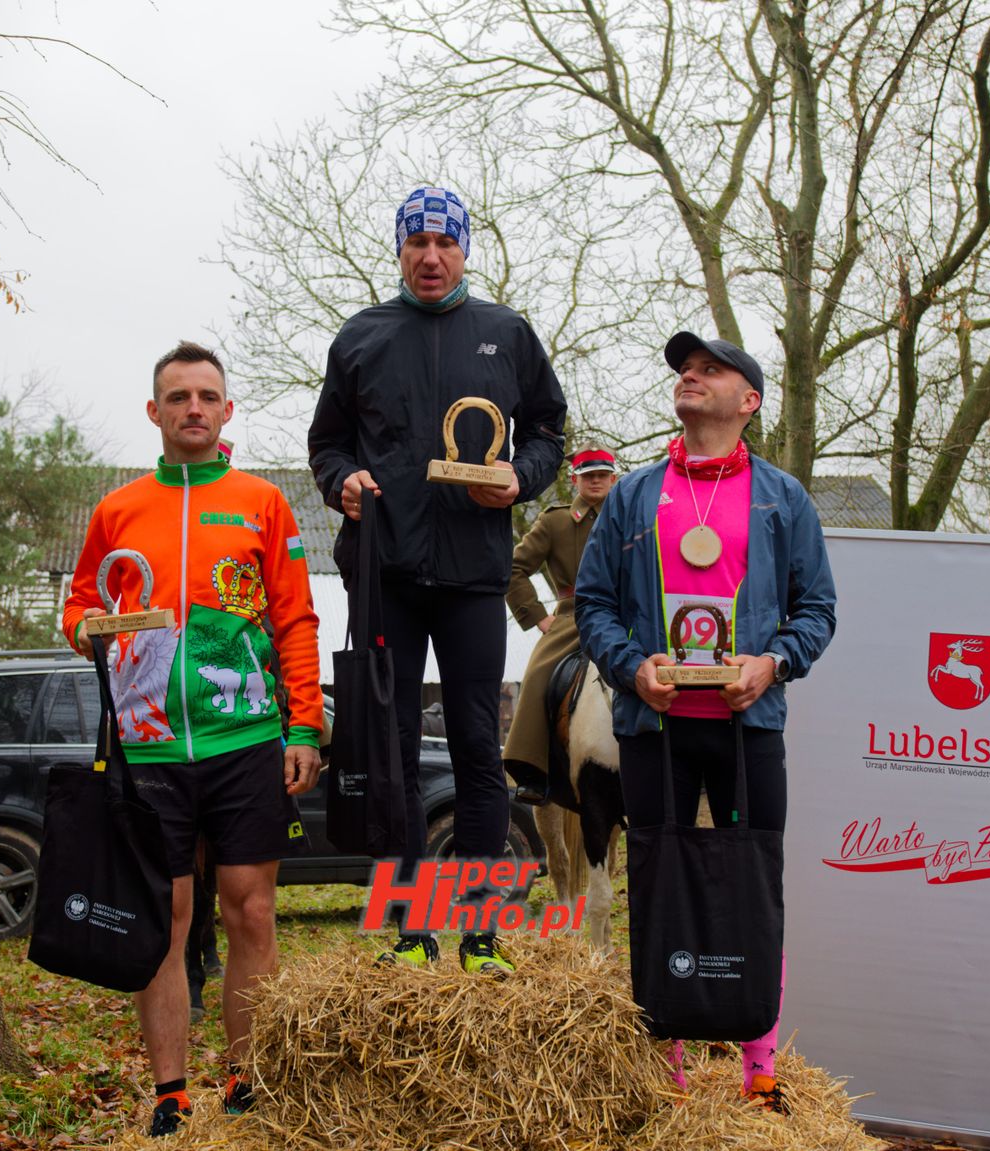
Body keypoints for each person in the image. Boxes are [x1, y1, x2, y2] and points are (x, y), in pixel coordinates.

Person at [62, 341, 324, 1136]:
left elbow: (294, 617)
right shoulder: (117, 508)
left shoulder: (262, 502)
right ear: (155, 411)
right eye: (178, 397)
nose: (194, 409)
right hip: (147, 748)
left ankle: (247, 1075)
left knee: (251, 913)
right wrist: (90, 629)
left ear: (228, 409)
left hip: (244, 737)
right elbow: (78, 607)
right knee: (167, 920)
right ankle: (171, 1090)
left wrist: (305, 722)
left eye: (208, 395)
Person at [307, 185, 567, 975]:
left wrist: (520, 479)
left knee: (476, 750)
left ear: (463, 250)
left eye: (444, 243)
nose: (430, 256)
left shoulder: (506, 333)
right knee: (387, 750)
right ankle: (411, 928)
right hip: (385, 571)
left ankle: (482, 929)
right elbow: (326, 444)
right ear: (399, 251)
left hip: (470, 576)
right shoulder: (361, 336)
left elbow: (550, 431)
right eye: (416, 242)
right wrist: (342, 482)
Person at [574, 332, 836, 1113]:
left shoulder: (784, 498)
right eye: (685, 369)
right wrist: (630, 666)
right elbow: (593, 604)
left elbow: (817, 609)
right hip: (653, 725)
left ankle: (760, 1062)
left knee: (755, 880)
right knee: (656, 880)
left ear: (748, 401)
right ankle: (668, 1061)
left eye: (710, 369)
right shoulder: (631, 495)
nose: (691, 375)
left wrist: (773, 663)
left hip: (747, 724)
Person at [503, 447, 618, 805]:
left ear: (614, 479)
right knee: (539, 674)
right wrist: (539, 617)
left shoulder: (631, 518)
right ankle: (531, 770)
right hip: (574, 617)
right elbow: (514, 568)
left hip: (625, 616)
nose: (596, 480)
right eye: (588, 475)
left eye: (602, 474)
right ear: (575, 480)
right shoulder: (554, 521)